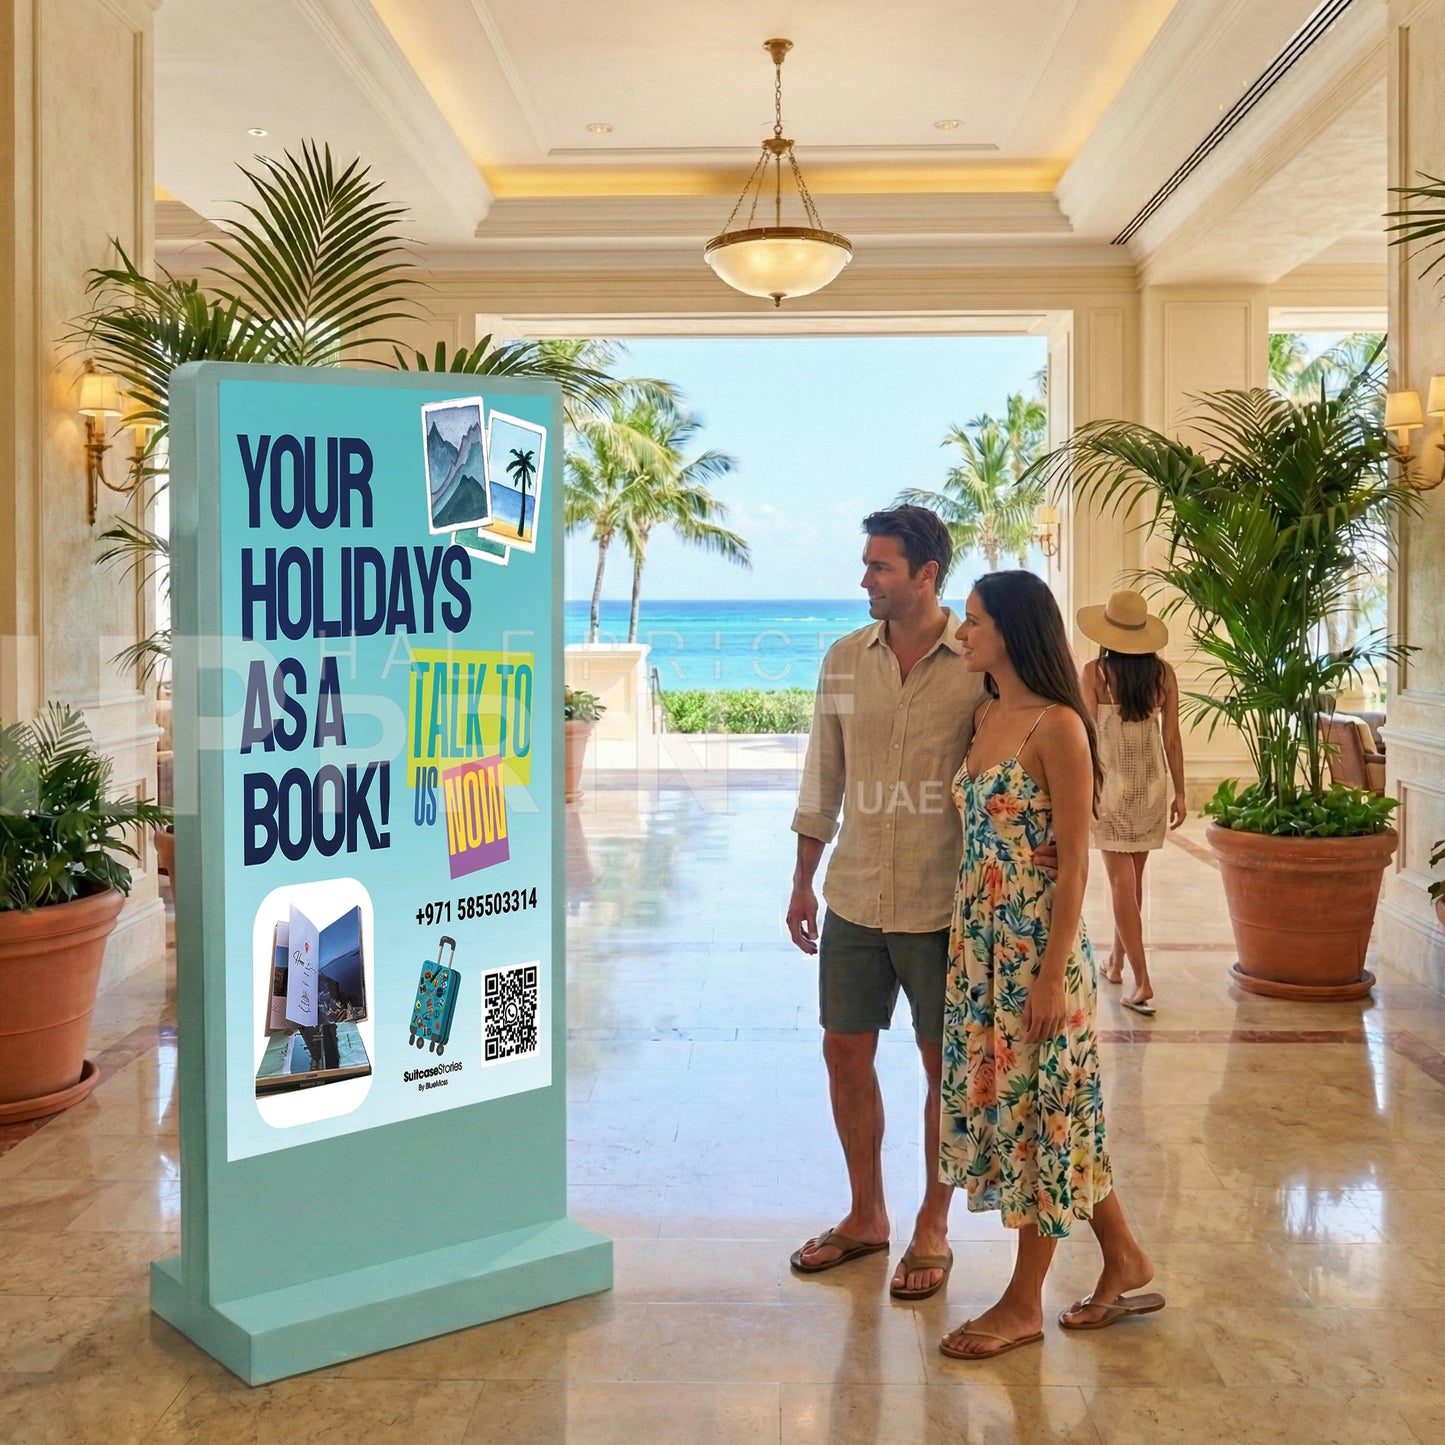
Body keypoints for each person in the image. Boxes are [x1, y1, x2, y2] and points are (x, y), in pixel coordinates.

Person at [938, 569, 1160, 1360]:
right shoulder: (986, 712)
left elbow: (1074, 863)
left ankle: (1022, 1302)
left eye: (971, 621)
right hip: (981, 948)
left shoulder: (1059, 727)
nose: (960, 633)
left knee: (1040, 1117)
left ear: (1011, 629)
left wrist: (1046, 974)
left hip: (1036, 950)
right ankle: (1125, 1256)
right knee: (1051, 1111)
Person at [787, 506, 991, 1301]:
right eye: (867, 564)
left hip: (943, 901)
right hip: (855, 894)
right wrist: (803, 878)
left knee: (940, 1066)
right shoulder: (844, 659)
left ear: (925, 575)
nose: (864, 579)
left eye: (879, 567)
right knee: (844, 1050)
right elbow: (821, 777)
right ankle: (866, 1214)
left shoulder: (979, 660)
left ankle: (932, 1226)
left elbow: (1036, 744)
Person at [1077, 590, 1186, 1016]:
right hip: (1152, 784)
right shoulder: (1163, 674)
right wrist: (1181, 790)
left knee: (1121, 884)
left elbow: (1086, 737)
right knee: (1133, 882)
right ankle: (1117, 963)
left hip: (1111, 787)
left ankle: (1142, 981)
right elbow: (1171, 738)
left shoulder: (1095, 673)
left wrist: (1081, 789)